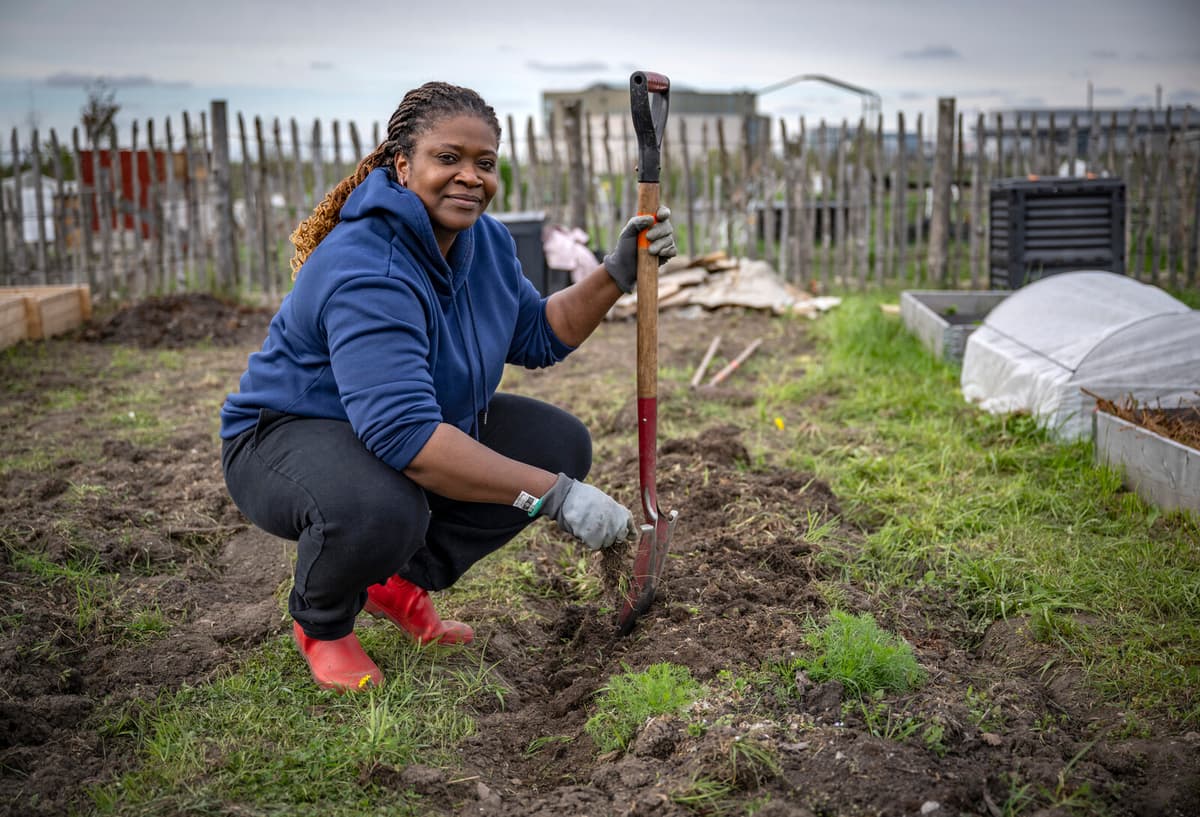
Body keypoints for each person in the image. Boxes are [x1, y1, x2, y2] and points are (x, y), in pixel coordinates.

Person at [219, 81, 676, 692]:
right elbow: (405, 437)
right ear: (403, 166)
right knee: (382, 507)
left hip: (391, 429)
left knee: (556, 444)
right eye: (448, 158)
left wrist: (616, 271)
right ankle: (323, 622)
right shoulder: (369, 267)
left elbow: (537, 333)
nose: (470, 177)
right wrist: (555, 498)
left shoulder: (484, 242)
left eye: (484, 163)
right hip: (286, 437)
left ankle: (395, 582)